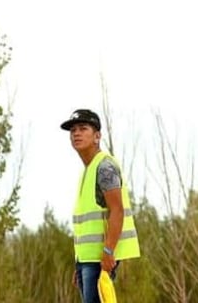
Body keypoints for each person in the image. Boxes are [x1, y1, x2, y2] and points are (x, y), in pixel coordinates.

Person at [61, 108, 141, 303]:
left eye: (82, 128)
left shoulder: (104, 167)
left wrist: (108, 252)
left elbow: (117, 210)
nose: (76, 133)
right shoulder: (87, 170)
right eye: (73, 131)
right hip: (87, 261)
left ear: (97, 136)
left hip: (100, 259)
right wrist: (79, 264)